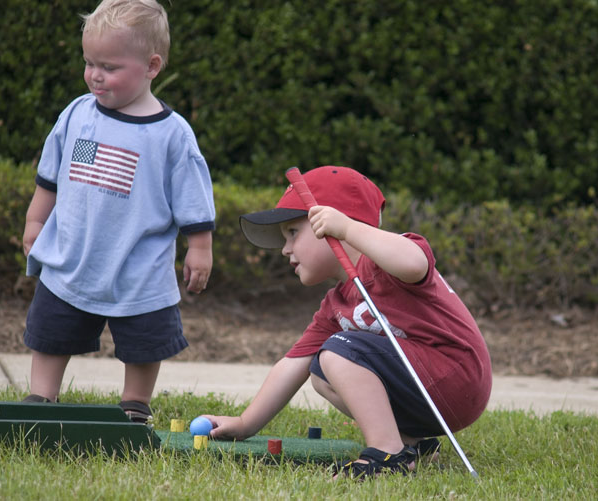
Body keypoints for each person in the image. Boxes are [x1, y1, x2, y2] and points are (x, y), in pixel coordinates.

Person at [205, 166, 491, 479]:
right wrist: (246, 423)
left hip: (456, 377)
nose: (285, 249)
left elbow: (414, 262)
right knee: (320, 372)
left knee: (337, 353)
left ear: (331, 222)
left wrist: (348, 229)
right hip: (431, 395)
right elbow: (293, 364)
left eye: (292, 233)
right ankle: (410, 444)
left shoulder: (387, 263)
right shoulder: (337, 304)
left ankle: (387, 454)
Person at [20, 0, 216, 423]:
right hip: (72, 256)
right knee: (52, 331)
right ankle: (41, 399)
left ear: (152, 66)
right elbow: (51, 176)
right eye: (90, 62)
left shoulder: (171, 134)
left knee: (145, 340)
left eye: (109, 66)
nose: (95, 74)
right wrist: (36, 222)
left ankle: (135, 404)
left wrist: (199, 248)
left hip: (139, 265)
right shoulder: (78, 114)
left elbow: (193, 199)